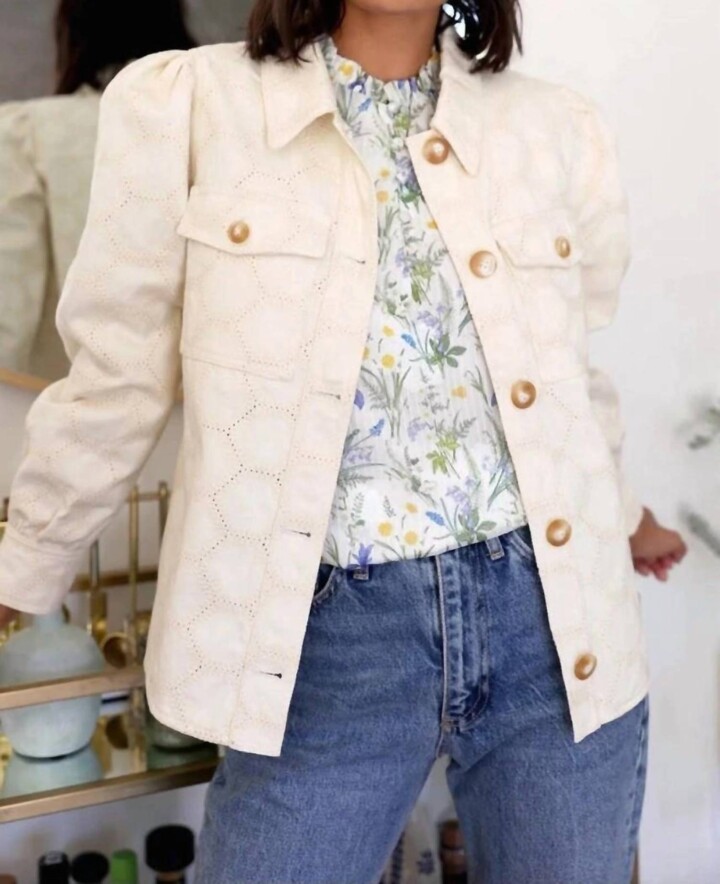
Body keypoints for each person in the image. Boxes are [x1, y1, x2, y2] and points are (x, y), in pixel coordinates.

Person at [0, 0, 688, 880]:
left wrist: (624, 516)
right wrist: (26, 566)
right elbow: (116, 375)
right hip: (323, 640)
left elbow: (569, 381)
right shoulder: (187, 105)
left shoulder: (556, 126)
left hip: (557, 623)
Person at [0, 0, 195, 378]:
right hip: (223, 410)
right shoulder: (231, 137)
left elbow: (7, 313)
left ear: (71, 34)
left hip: (60, 402)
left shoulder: (28, 136)